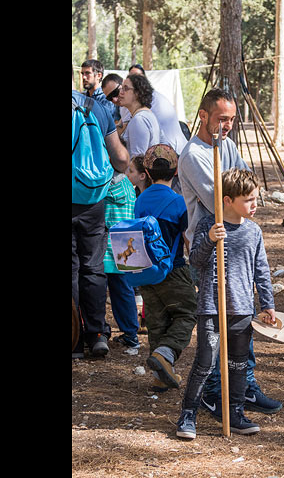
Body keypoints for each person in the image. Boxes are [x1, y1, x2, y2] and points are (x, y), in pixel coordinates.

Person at [178, 88, 282, 419]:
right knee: (212, 334)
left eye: (232, 119)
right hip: (209, 250)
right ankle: (211, 394)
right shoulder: (194, 155)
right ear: (203, 116)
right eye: (222, 119)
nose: (228, 125)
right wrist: (235, 195)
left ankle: (244, 388)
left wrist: (242, 196)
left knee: (241, 326)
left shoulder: (229, 145)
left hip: (238, 244)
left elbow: (245, 186)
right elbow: (219, 203)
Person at [176, 168, 276, 439]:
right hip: (212, 307)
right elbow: (195, 262)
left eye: (256, 198)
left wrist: (268, 303)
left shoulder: (254, 231)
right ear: (228, 200)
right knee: (205, 363)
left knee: (238, 365)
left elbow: (261, 270)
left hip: (242, 309)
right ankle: (188, 414)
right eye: (248, 200)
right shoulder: (210, 225)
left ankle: (235, 412)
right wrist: (210, 239)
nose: (255, 205)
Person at [72, 82, 130, 359]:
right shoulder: (96, 107)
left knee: (71, 269)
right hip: (94, 197)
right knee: (93, 266)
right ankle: (96, 334)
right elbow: (120, 158)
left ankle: (74, 340)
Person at [134, 144, 198, 392]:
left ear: (147, 173)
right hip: (174, 269)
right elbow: (187, 238)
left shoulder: (139, 201)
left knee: (157, 322)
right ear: (176, 171)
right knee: (187, 313)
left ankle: (161, 377)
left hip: (146, 272)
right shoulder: (178, 202)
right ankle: (166, 353)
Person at [103, 154, 141, 355]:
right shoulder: (127, 186)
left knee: (98, 292)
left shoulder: (103, 188)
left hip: (106, 246)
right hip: (126, 245)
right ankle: (131, 334)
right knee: (124, 293)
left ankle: (99, 332)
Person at [115, 74, 162, 158]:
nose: (120, 93)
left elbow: (137, 160)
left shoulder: (139, 120)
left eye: (125, 89)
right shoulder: (144, 115)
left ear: (137, 93)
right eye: (121, 88)